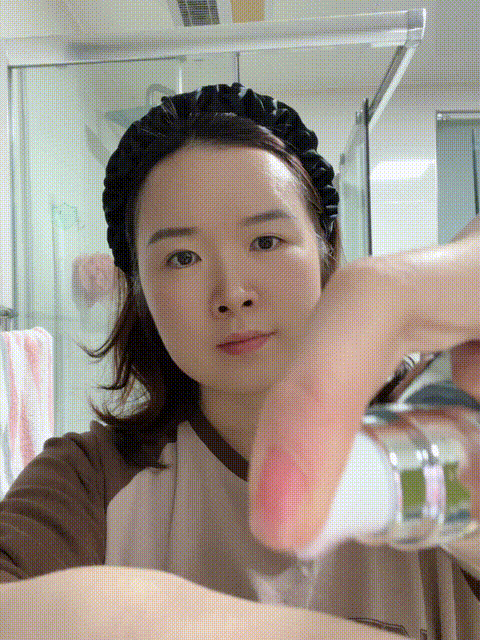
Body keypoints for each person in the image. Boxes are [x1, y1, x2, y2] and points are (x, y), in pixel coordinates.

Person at [0, 82, 479, 639]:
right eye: (183, 257)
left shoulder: (441, 430)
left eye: (266, 241)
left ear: (326, 247)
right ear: (139, 289)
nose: (232, 293)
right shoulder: (90, 478)